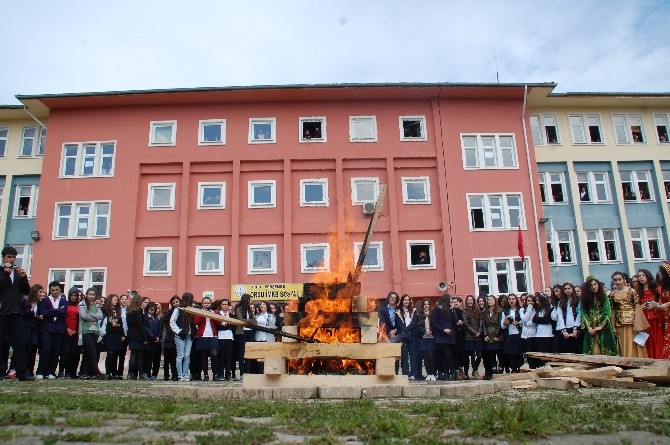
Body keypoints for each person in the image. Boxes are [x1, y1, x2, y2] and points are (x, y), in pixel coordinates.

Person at [0, 246, 34, 381]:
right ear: (4, 257)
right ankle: (1, 371)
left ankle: (22, 372)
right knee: (1, 343)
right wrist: (5, 274)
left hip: (16, 313)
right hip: (2, 313)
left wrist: (24, 278)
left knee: (20, 343)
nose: (12, 259)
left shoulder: (17, 273)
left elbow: (26, 291)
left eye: (14, 257)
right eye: (9, 257)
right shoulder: (1, 272)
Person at [609, 271, 648, 357]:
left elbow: (637, 307)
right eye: (615, 280)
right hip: (619, 323)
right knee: (623, 343)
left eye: (619, 279)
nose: (618, 282)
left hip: (632, 322)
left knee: (634, 343)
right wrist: (613, 326)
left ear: (624, 280)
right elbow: (613, 310)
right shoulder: (612, 294)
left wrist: (639, 324)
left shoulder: (631, 291)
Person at [36, 281, 67, 379]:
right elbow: (42, 312)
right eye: (53, 290)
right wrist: (56, 311)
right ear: (50, 290)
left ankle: (51, 372)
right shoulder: (44, 300)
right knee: (46, 349)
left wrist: (50, 311)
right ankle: (41, 371)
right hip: (46, 329)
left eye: (57, 290)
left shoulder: (64, 302)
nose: (55, 292)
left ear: (60, 289)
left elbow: (63, 313)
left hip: (59, 329)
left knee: (55, 351)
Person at [580, 277, 617, 356]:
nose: (593, 287)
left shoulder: (605, 298)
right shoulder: (585, 299)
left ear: (598, 285)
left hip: (604, 328)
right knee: (593, 352)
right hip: (591, 329)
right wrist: (589, 327)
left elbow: (607, 313)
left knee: (606, 351)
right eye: (591, 285)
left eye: (595, 284)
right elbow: (584, 313)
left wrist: (600, 326)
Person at [78, 287, 104, 379]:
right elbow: (84, 316)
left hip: (95, 330)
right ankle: (96, 372)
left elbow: (100, 316)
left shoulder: (96, 305)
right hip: (86, 330)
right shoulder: (82, 304)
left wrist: (91, 315)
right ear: (86, 295)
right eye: (89, 294)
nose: (91, 296)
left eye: (93, 295)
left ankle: (83, 372)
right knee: (92, 351)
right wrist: (94, 317)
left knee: (88, 352)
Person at [636, 269, 663, 359]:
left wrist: (654, 306)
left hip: (656, 319)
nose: (641, 278)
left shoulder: (657, 289)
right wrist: (641, 308)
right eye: (639, 276)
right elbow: (635, 306)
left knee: (657, 339)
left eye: (643, 275)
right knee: (648, 340)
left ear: (648, 276)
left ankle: (660, 357)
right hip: (645, 320)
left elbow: (663, 302)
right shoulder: (637, 292)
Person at [193, 296, 221, 380]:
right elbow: (195, 322)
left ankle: (215, 374)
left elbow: (219, 323)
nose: (206, 304)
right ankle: (205, 374)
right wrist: (203, 313)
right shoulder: (198, 312)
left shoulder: (215, 312)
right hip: (202, 336)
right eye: (205, 303)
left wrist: (212, 314)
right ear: (202, 304)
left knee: (214, 354)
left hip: (212, 335)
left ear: (210, 304)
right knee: (203, 355)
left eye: (208, 303)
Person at [170, 292, 195, 382]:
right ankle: (180, 375)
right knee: (180, 355)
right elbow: (172, 322)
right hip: (180, 336)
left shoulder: (192, 309)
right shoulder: (178, 309)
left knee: (187, 356)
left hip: (189, 336)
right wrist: (179, 331)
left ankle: (185, 373)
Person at [431, 294, 456, 381]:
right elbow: (434, 323)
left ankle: (446, 374)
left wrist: (453, 310)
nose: (451, 302)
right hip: (441, 336)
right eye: (450, 300)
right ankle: (453, 372)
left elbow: (455, 321)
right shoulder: (437, 310)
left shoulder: (450, 310)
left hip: (450, 336)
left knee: (447, 355)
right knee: (447, 355)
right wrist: (443, 329)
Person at [395, 294, 419, 379]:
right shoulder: (398, 312)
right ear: (402, 301)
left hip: (412, 335)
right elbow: (399, 324)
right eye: (404, 300)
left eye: (408, 300)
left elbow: (414, 322)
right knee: (404, 356)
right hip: (403, 336)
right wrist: (404, 331)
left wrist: (407, 330)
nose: (406, 301)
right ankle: (405, 374)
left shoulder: (414, 311)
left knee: (413, 355)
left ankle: (413, 374)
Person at [102, 294, 125, 379]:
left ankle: (114, 372)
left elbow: (121, 322)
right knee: (110, 353)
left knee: (115, 353)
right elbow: (103, 321)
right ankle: (108, 372)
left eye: (117, 300)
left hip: (117, 334)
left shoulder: (117, 310)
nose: (116, 301)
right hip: (109, 333)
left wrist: (122, 334)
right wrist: (111, 324)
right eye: (115, 299)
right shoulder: (105, 310)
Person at [234, 293, 256, 378]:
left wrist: (247, 321)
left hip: (250, 332)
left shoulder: (250, 310)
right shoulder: (239, 309)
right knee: (241, 353)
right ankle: (242, 373)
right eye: (249, 299)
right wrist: (249, 321)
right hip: (241, 333)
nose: (250, 301)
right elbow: (240, 320)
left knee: (249, 353)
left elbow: (255, 321)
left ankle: (248, 372)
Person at [556, 282, 582, 354]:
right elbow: (560, 316)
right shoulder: (561, 302)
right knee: (567, 349)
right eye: (565, 289)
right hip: (566, 329)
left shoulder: (577, 300)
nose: (567, 290)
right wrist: (563, 330)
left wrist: (576, 328)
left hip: (575, 328)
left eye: (569, 288)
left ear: (572, 289)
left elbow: (579, 314)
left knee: (577, 349)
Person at [127, 294, 148, 380]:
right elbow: (140, 325)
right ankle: (140, 373)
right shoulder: (139, 311)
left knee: (134, 355)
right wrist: (144, 337)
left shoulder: (130, 311)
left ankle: (131, 373)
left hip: (131, 335)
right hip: (138, 336)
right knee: (138, 356)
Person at [462, 295, 483, 379]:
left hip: (478, 337)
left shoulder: (478, 311)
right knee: (470, 355)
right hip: (469, 336)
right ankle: (467, 372)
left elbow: (481, 323)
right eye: (468, 300)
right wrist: (474, 332)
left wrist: (479, 332)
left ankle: (475, 370)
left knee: (479, 354)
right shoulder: (464, 311)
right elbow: (466, 324)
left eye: (471, 300)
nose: (470, 302)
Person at [500, 294, 522, 373]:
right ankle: (513, 370)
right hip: (509, 335)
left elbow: (524, 321)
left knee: (519, 353)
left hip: (518, 334)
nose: (511, 300)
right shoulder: (505, 311)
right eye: (509, 299)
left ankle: (520, 369)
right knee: (511, 354)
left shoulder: (521, 310)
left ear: (516, 300)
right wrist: (505, 323)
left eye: (513, 299)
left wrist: (518, 323)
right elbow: (502, 326)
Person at [481, 295, 502, 380]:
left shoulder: (499, 311)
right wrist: (485, 335)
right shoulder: (485, 312)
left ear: (495, 301)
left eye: (491, 300)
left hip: (497, 334)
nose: (489, 301)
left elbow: (500, 324)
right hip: (488, 334)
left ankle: (500, 369)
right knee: (491, 354)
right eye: (488, 300)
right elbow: (484, 325)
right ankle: (493, 370)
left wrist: (497, 335)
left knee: (499, 353)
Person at [160, 296, 180, 381]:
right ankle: (166, 375)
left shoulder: (181, 311)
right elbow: (163, 320)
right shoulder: (168, 312)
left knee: (174, 358)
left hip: (176, 336)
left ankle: (175, 375)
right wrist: (169, 310)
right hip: (168, 337)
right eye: (173, 302)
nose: (175, 304)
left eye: (177, 302)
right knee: (166, 359)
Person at [417, 298, 436, 381]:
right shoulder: (420, 315)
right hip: (423, 338)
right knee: (426, 357)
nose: (426, 306)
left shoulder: (433, 314)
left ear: (430, 305)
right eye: (424, 304)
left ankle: (433, 373)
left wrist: (430, 330)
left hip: (432, 338)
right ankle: (428, 374)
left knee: (431, 356)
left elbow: (435, 324)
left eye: (427, 304)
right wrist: (425, 331)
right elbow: (417, 326)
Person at [216, 298, 235, 380]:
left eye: (226, 304)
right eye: (223, 304)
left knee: (228, 356)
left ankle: (228, 373)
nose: (225, 306)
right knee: (221, 356)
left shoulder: (231, 315)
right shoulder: (218, 315)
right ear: (220, 305)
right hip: (220, 336)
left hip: (229, 336)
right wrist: (226, 325)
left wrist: (226, 325)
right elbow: (218, 326)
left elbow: (233, 325)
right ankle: (220, 374)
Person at [143, 302, 161, 380]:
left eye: (154, 310)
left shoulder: (156, 318)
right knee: (149, 358)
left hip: (157, 342)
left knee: (156, 359)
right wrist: (153, 337)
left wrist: (159, 337)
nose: (152, 311)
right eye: (151, 310)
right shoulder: (145, 318)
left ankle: (155, 374)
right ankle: (148, 373)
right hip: (150, 341)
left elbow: (160, 328)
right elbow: (146, 329)